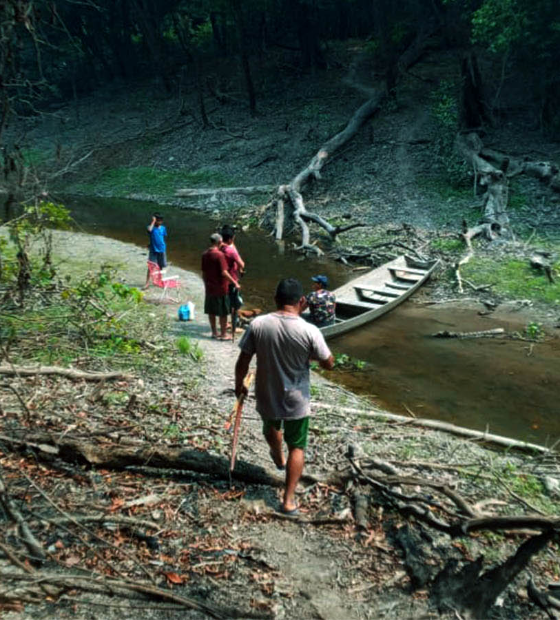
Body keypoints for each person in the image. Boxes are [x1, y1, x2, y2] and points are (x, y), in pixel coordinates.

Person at [235, 278, 334, 514]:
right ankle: (288, 501)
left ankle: (278, 458)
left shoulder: (258, 324)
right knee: (297, 447)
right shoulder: (309, 330)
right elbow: (328, 363)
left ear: (275, 299)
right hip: (297, 400)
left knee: (270, 428)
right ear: (302, 301)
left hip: (267, 393)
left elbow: (243, 361)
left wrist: (240, 385)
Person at [201, 233, 239, 340]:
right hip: (221, 287)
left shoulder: (205, 254)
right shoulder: (219, 255)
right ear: (219, 242)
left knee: (211, 311)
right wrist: (235, 283)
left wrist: (205, 283)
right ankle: (223, 334)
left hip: (209, 287)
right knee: (223, 312)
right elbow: (224, 272)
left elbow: (203, 272)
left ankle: (214, 332)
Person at [220, 225, 245, 337]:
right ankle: (234, 328)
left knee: (225, 303)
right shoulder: (231, 251)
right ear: (231, 239)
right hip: (232, 280)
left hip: (221, 280)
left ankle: (225, 325)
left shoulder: (218, 247)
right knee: (235, 305)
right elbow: (242, 264)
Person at [145, 214, 167, 288]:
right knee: (151, 266)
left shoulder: (163, 228)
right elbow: (149, 230)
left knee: (161, 266)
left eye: (160, 221)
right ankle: (147, 283)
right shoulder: (151, 227)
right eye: (157, 221)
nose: (159, 222)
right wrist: (153, 221)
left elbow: (162, 238)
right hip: (153, 250)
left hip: (162, 249)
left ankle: (159, 281)